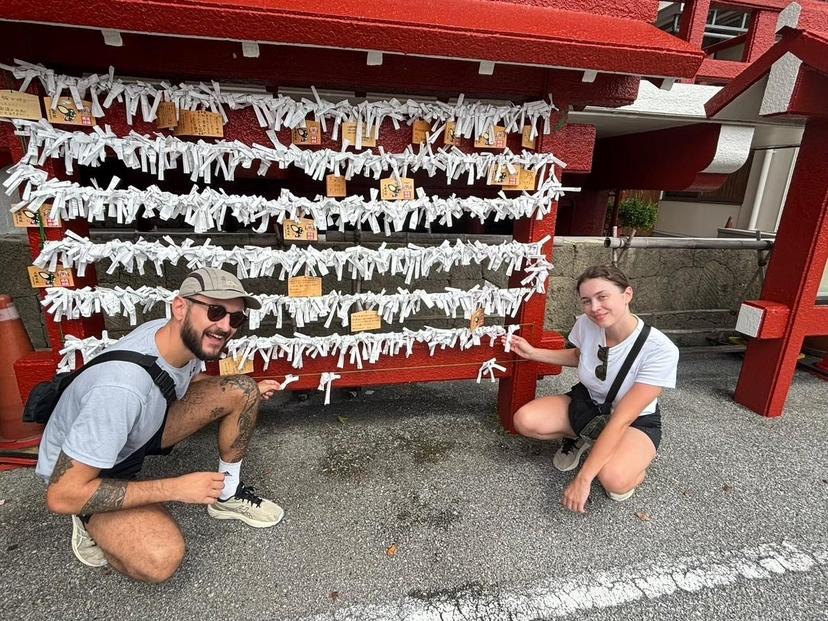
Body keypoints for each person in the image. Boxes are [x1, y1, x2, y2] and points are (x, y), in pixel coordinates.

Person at [35, 267, 286, 582]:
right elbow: (60, 496)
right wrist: (177, 488)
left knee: (244, 389)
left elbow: (178, 383)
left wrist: (243, 396)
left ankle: (228, 493)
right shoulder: (120, 391)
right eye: (216, 311)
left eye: (235, 319)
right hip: (85, 472)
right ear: (180, 307)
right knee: (160, 559)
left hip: (133, 430)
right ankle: (88, 519)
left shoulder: (177, 336)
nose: (225, 326)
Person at [507, 265, 679, 513]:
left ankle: (635, 461)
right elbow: (579, 355)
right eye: (586, 301)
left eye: (602, 297)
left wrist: (583, 478)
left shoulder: (661, 350)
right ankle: (587, 439)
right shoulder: (586, 324)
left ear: (627, 294)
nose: (594, 307)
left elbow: (622, 418)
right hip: (588, 404)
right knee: (525, 420)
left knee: (614, 481)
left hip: (633, 421)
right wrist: (534, 353)